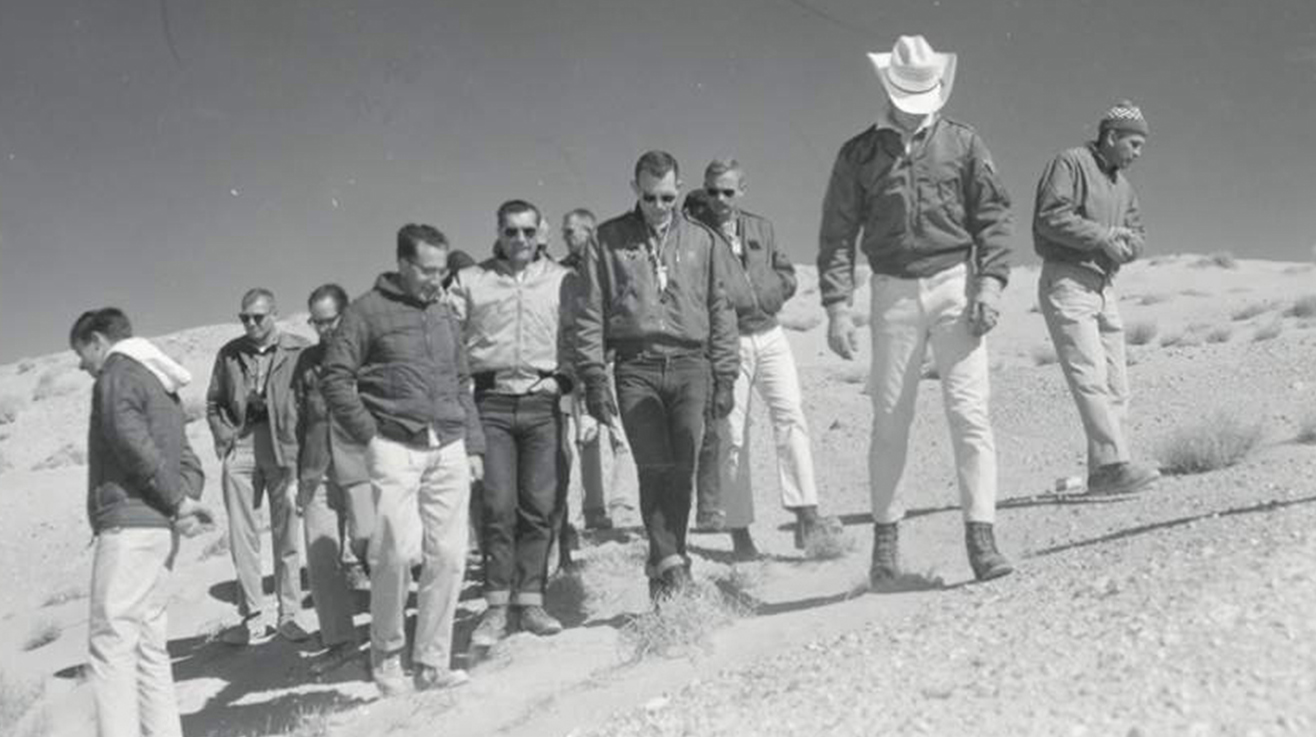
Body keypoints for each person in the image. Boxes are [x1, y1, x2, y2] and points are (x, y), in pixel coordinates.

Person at [817, 35, 1015, 585]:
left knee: (970, 414)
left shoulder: (964, 143)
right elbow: (837, 234)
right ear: (889, 89)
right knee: (890, 420)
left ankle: (982, 540)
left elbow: (993, 217)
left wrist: (991, 284)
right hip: (892, 292)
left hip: (956, 284)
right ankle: (886, 544)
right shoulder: (858, 154)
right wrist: (837, 306)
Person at [321, 223, 485, 696]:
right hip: (394, 445)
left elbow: (461, 383)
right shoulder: (364, 312)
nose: (439, 279)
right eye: (429, 270)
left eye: (442, 269)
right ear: (403, 265)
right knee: (394, 554)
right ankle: (387, 656)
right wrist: (369, 437)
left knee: (451, 556)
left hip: (448, 445)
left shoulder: (443, 315)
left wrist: (471, 445)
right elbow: (336, 379)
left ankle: (432, 662)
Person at [575, 150, 739, 602]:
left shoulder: (703, 240)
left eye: (668, 197)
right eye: (650, 197)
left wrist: (724, 375)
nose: (660, 207)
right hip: (636, 365)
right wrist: (592, 375)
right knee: (652, 466)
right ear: (635, 189)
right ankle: (673, 563)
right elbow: (589, 312)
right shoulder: (607, 240)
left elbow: (720, 310)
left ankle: (665, 563)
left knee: (682, 468)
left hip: (690, 364)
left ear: (680, 189)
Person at [686, 158, 841, 560]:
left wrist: (774, 290)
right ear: (704, 189)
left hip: (770, 334)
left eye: (728, 191)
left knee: (791, 418)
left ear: (742, 190)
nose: (720, 199)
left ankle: (808, 517)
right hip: (727, 341)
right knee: (732, 436)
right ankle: (741, 534)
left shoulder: (760, 227)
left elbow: (785, 270)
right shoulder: (694, 236)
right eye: (713, 190)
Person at [74, 307, 214, 737]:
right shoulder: (160, 381)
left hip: (129, 528)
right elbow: (191, 461)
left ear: (99, 341)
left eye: (83, 354)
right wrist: (183, 501)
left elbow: (128, 440)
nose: (83, 365)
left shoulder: (116, 374)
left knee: (112, 644)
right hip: (159, 531)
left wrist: (177, 501)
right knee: (149, 647)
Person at [449, 200, 577, 646]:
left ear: (541, 232)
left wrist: (564, 381)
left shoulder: (563, 281)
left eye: (527, 231)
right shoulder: (470, 281)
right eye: (511, 232)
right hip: (492, 404)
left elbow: (581, 336)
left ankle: (532, 602)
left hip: (542, 404)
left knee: (539, 507)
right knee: (497, 507)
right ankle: (496, 608)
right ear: (498, 232)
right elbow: (447, 339)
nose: (520, 240)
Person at [1034, 101, 1161, 495]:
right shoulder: (1069, 163)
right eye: (1134, 144)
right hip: (1068, 280)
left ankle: (1105, 473)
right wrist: (1105, 237)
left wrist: (1128, 247)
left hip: (1105, 287)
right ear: (1111, 137)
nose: (1138, 153)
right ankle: (1112, 466)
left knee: (1116, 384)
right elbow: (1050, 217)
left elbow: (1137, 233)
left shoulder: (1124, 187)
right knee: (1090, 377)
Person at [206, 288, 310, 644]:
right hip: (243, 447)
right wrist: (225, 438)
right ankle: (251, 618)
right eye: (244, 317)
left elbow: (310, 398)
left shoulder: (298, 349)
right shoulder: (230, 354)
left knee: (287, 535)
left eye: (258, 316)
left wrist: (303, 445)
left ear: (274, 314)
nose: (251, 323)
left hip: (284, 448)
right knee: (242, 536)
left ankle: (289, 616)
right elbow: (213, 402)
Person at [291, 284, 371, 675]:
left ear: (346, 314)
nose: (323, 330)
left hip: (363, 465)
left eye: (330, 321)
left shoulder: (369, 353)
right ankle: (341, 642)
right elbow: (296, 421)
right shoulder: (307, 362)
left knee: (375, 547)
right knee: (322, 559)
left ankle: (393, 634)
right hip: (317, 469)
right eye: (315, 322)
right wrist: (297, 476)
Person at [557, 208, 624, 535]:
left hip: (608, 359)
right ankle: (594, 510)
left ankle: (622, 504)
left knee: (618, 433)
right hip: (572, 362)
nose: (566, 237)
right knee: (585, 438)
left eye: (571, 231)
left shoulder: (609, 265)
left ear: (589, 230)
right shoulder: (561, 273)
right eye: (564, 232)